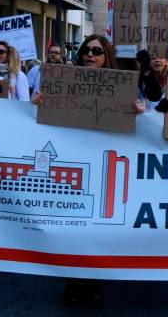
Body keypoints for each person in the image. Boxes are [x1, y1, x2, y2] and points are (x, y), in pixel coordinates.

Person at [34, 34, 143, 303]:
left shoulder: (121, 87)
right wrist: (39, 104)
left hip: (103, 166)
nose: (90, 54)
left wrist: (141, 113)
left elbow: (133, 127)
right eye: (87, 50)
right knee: (73, 225)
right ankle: (76, 281)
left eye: (97, 50)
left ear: (107, 56)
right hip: (74, 164)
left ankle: (90, 280)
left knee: (92, 227)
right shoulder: (64, 83)